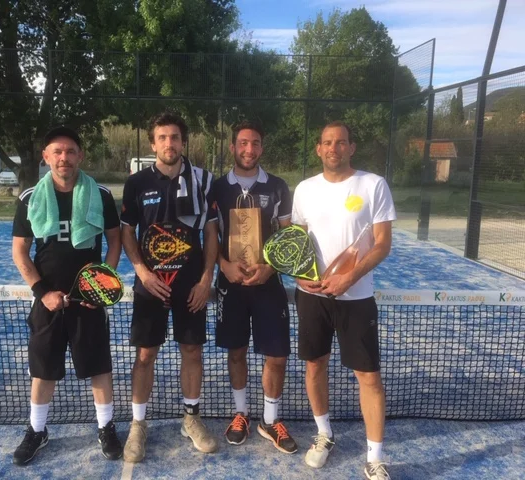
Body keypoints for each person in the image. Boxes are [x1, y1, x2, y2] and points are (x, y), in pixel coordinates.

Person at [11, 126, 123, 465]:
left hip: (89, 301)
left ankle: (106, 427)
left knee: (98, 367)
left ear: (80, 156)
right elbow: (20, 252)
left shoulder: (100, 195)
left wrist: (101, 286)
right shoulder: (30, 198)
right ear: (46, 157)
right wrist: (43, 293)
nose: (64, 158)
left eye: (71, 151)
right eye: (57, 152)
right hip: (47, 302)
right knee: (43, 370)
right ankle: (37, 430)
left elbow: (115, 242)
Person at [292, 120, 396, 480]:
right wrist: (299, 274)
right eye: (327, 142)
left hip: (357, 298)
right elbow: (297, 241)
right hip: (312, 297)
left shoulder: (373, 185)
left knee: (368, 376)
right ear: (318, 149)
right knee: (314, 365)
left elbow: (383, 243)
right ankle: (324, 434)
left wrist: (350, 277)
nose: (333, 148)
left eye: (340, 142)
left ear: (351, 148)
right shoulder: (304, 189)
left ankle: (375, 457)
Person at [120, 112, 219, 462]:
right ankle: (138, 424)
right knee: (145, 354)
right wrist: (142, 272)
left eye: (175, 137)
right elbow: (127, 232)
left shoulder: (203, 180)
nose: (169, 143)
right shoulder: (136, 183)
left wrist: (206, 279)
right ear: (153, 144)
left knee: (192, 350)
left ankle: (191, 419)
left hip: (190, 285)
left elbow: (211, 232)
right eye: (162, 137)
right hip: (151, 285)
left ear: (183, 142)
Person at [208, 120, 297, 453]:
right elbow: (210, 235)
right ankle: (241, 414)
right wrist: (224, 265)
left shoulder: (278, 187)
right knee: (237, 351)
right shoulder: (217, 188)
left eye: (255, 143)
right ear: (233, 147)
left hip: (267, 283)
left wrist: (270, 268)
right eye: (243, 143)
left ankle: (270, 420)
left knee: (277, 354)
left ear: (262, 147)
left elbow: (287, 236)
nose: (249, 149)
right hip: (230, 284)